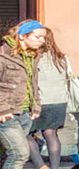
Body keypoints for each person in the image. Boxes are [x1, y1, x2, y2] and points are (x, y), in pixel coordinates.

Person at [26, 28, 79, 169]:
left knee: (25, 133)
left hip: (40, 100)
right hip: (59, 101)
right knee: (51, 133)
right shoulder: (62, 57)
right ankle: (54, 167)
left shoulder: (33, 56)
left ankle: (40, 166)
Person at [2, 23, 45, 169]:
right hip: (7, 114)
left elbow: (32, 84)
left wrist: (36, 106)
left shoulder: (31, 57)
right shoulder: (3, 55)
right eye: (38, 37)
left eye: (43, 37)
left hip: (25, 113)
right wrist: (3, 109)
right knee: (19, 154)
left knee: (15, 154)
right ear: (22, 36)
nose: (42, 41)